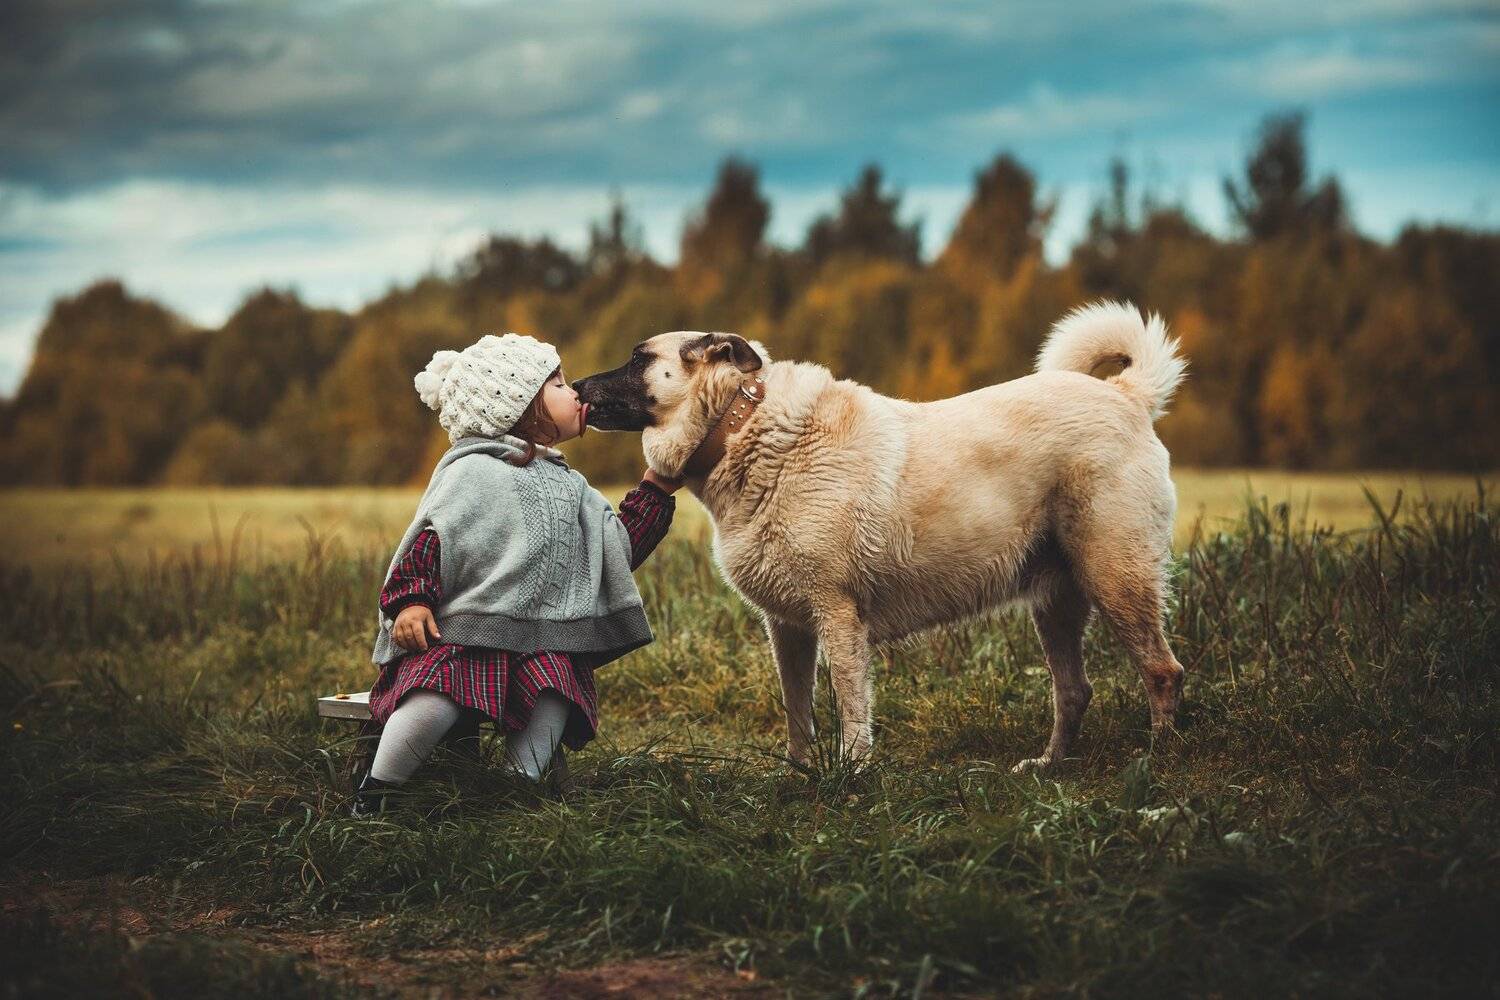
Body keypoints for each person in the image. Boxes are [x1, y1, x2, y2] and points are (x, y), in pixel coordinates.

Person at [354, 333, 679, 816]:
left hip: (541, 639)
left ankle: (516, 786)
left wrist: (655, 488)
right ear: (519, 405)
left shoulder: (572, 487)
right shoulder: (472, 474)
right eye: (558, 384)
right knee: (437, 692)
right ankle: (379, 789)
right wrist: (411, 602)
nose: (575, 393)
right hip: (462, 634)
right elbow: (430, 541)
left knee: (555, 685)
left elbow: (613, 547)